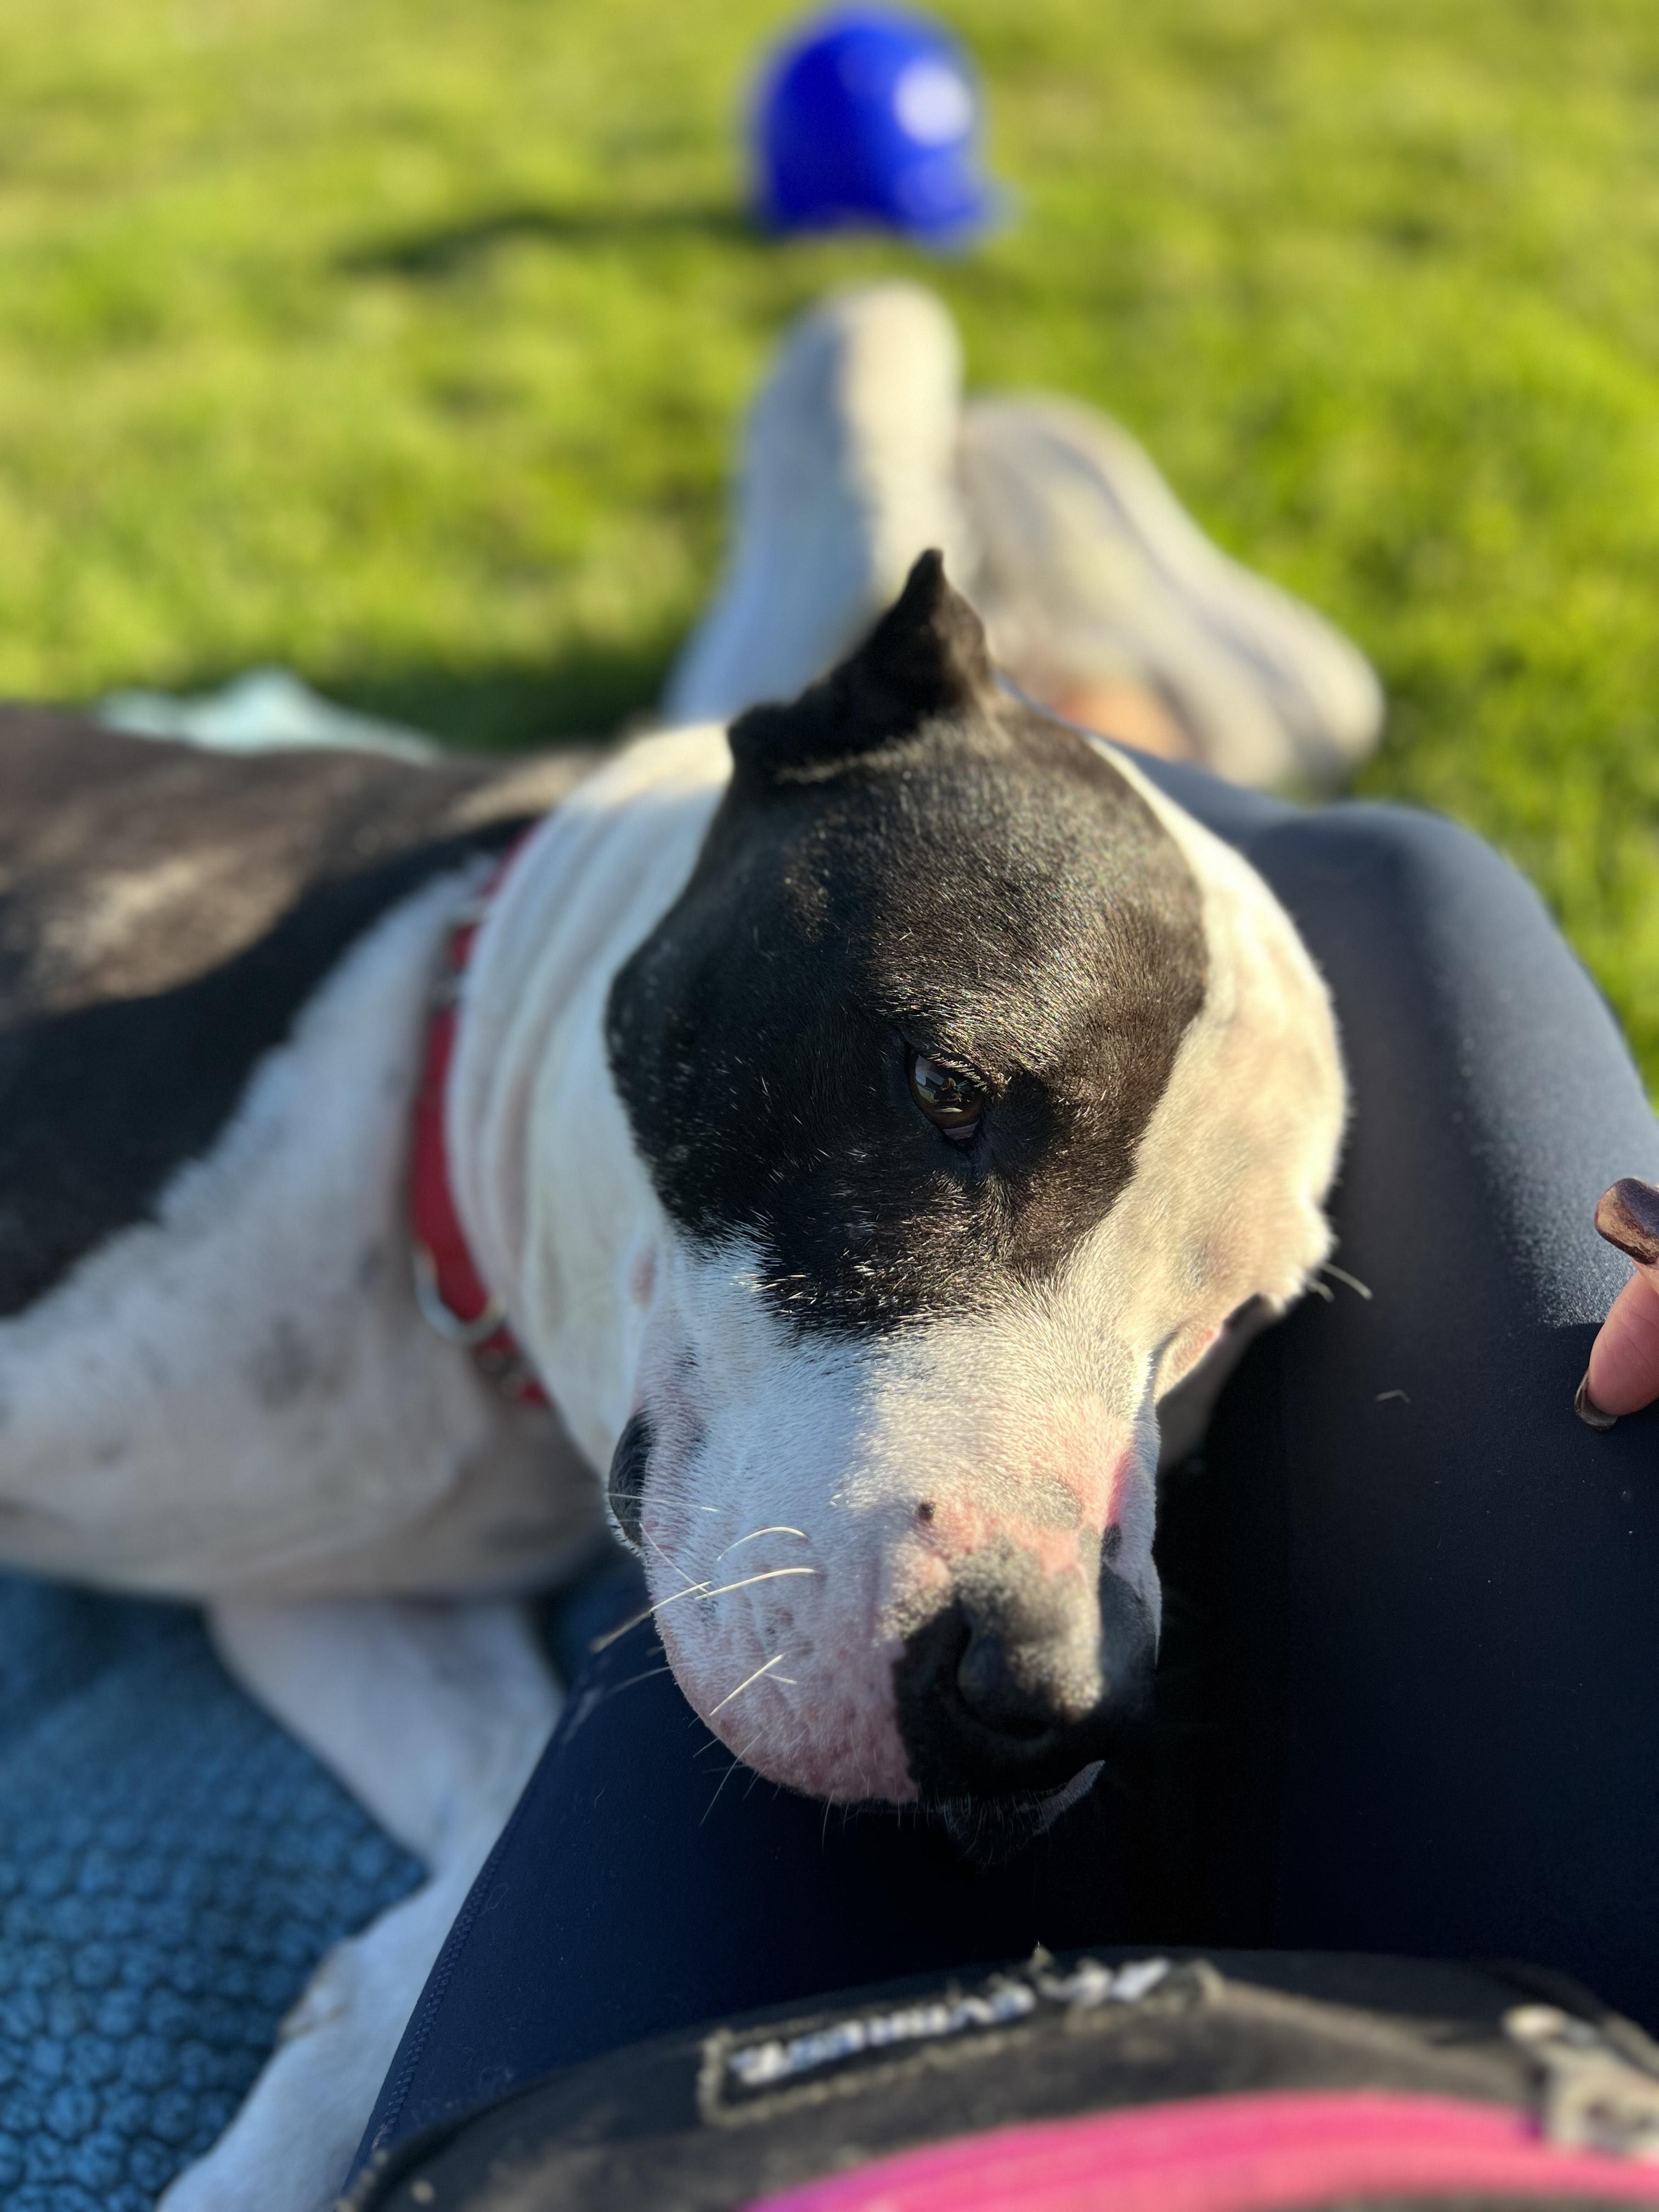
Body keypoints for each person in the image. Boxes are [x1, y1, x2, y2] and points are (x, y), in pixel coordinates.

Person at [345, 292, 1659, 2207]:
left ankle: (988, 689)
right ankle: (1005, 706)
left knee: (1375, 887)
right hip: (1566, 2064)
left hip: (638, 2149)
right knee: (1377, 893)